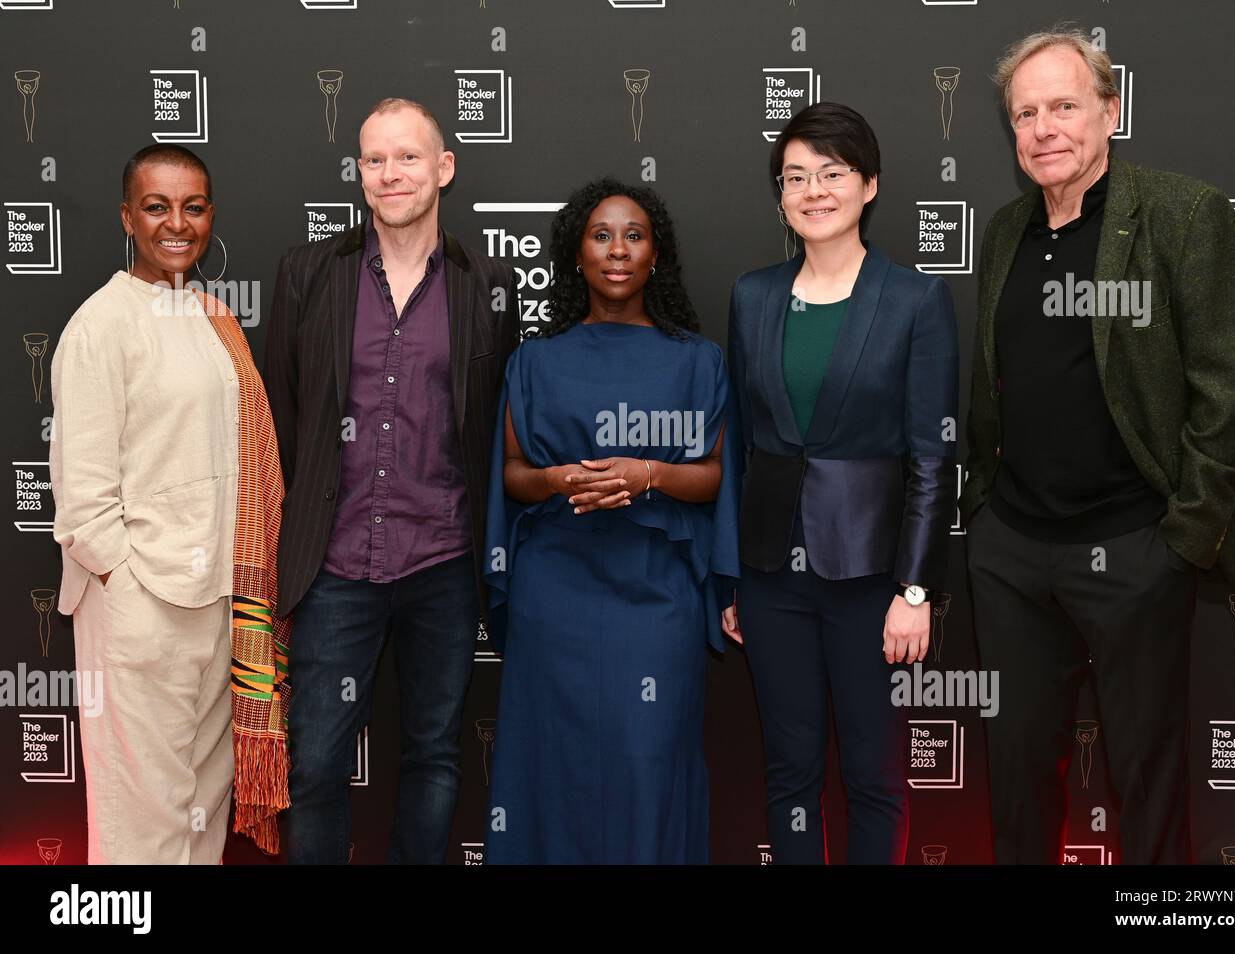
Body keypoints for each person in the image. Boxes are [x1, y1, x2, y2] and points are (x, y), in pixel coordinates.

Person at [960, 29, 1235, 864]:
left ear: (1110, 109)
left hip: (1135, 547)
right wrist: (981, 517)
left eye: (1064, 106)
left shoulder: (1181, 215)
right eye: (1025, 114)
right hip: (1014, 553)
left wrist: (1182, 540)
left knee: (1148, 773)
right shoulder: (1003, 232)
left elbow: (1228, 389)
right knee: (1017, 773)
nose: (1043, 128)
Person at [264, 98, 520, 864]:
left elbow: (493, 423)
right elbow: (280, 415)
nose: (389, 173)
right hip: (334, 563)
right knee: (313, 765)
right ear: (359, 174)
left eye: (407, 157)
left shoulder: (486, 284)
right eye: (374, 159)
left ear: (443, 168)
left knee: (435, 757)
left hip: (443, 562)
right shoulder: (309, 272)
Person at [722, 102, 959, 864]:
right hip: (768, 577)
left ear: (869, 185)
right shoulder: (753, 296)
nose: (813, 190)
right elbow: (740, 447)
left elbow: (932, 455)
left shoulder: (915, 299)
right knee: (789, 772)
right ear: (780, 195)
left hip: (870, 580)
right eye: (795, 177)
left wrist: (915, 591)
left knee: (874, 775)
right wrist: (729, 578)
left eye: (832, 173)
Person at [482, 179, 741, 864]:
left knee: (647, 760)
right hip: (555, 594)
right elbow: (510, 472)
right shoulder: (534, 360)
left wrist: (646, 475)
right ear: (575, 255)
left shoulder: (697, 361)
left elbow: (715, 477)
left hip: (656, 598)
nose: (618, 249)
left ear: (657, 255)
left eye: (634, 235)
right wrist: (558, 480)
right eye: (601, 235)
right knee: (555, 770)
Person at [50, 144, 290, 863]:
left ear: (211, 215)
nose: (176, 223)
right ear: (129, 217)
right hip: (139, 606)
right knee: (140, 815)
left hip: (219, 602)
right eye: (157, 207)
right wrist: (128, 582)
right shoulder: (101, 324)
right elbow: (83, 495)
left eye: (193, 207)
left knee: (199, 811)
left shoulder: (213, 317)